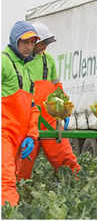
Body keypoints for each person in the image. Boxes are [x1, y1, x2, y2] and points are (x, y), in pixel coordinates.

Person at [17, 22, 80, 180]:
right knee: (21, 164)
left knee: (65, 159)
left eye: (47, 43)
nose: (45, 46)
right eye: (43, 43)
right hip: (27, 121)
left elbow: (57, 87)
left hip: (49, 119)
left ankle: (76, 186)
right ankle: (14, 198)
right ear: (33, 42)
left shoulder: (48, 60)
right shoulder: (18, 62)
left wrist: (64, 109)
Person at [2, 21, 40, 206]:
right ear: (14, 41)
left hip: (19, 137)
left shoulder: (25, 69)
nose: (29, 46)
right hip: (4, 135)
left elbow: (32, 106)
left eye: (32, 42)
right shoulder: (3, 61)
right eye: (25, 42)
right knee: (6, 182)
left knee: (14, 180)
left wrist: (31, 135)